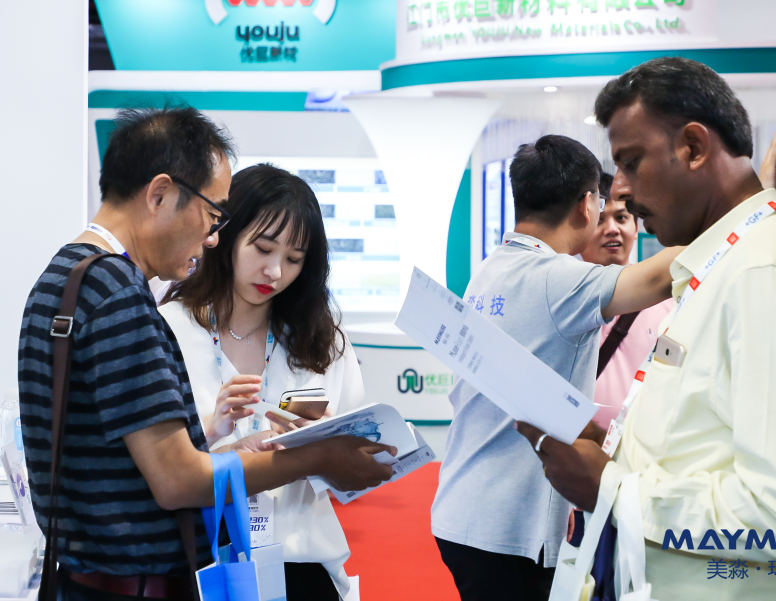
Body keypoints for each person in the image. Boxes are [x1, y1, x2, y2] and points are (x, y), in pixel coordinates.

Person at [516, 57, 776, 600]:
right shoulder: (723, 264)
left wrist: (611, 487)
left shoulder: (765, 273)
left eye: (632, 163)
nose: (621, 191)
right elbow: (704, 440)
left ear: (695, 148)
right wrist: (616, 450)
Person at [17, 107, 395, 601]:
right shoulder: (119, 295)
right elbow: (177, 480)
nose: (212, 237)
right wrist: (316, 456)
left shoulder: (64, 277)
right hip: (135, 583)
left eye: (293, 258)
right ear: (159, 195)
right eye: (213, 215)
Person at [431, 134, 682, 601]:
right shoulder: (558, 279)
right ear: (587, 206)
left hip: (464, 507)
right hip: (508, 526)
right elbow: (663, 273)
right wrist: (741, 211)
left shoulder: (491, 268)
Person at [159, 163, 364, 600]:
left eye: (293, 259)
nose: (274, 271)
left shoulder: (324, 342)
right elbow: (158, 469)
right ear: (226, 235)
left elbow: (352, 476)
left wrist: (322, 444)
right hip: (203, 567)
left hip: (301, 567)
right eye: (263, 248)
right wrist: (212, 434)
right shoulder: (169, 330)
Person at [580, 172, 673, 429]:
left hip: (645, 446)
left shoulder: (667, 301)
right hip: (573, 449)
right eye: (599, 220)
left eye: (621, 218)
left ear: (636, 228)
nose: (612, 229)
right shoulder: (562, 299)